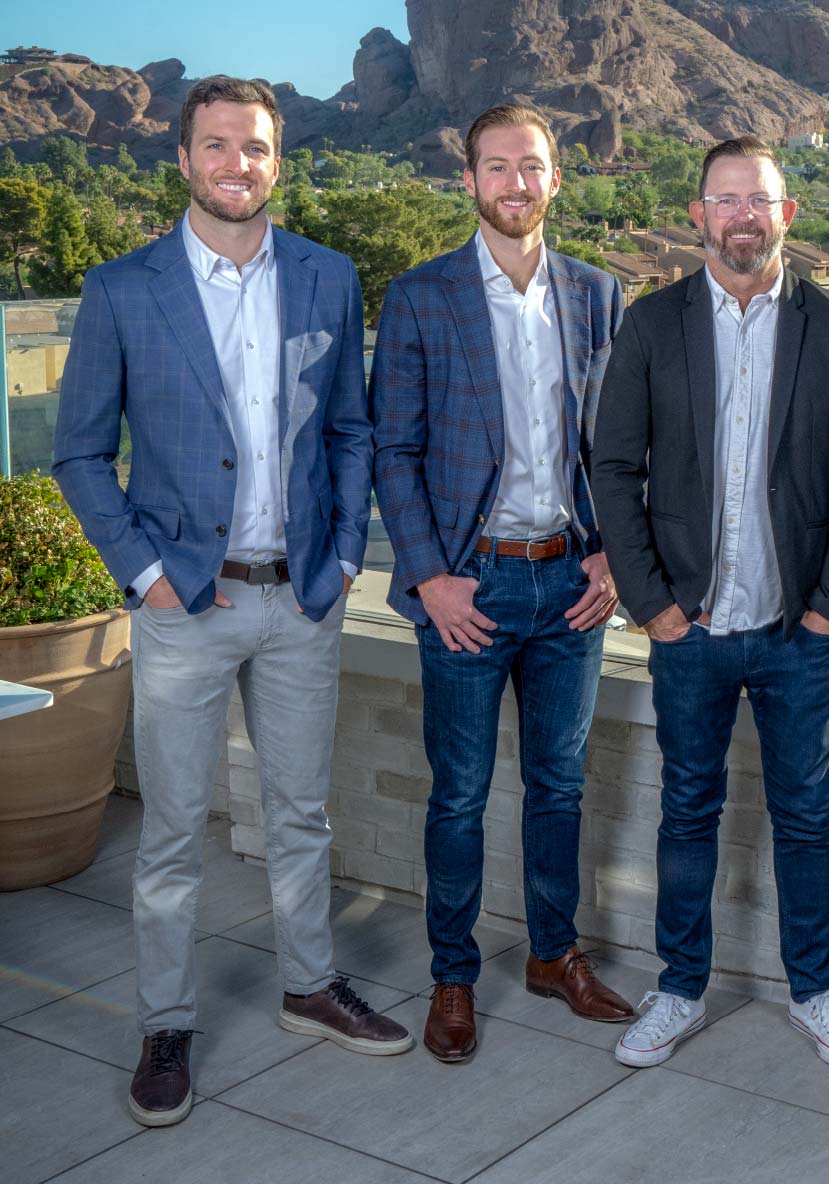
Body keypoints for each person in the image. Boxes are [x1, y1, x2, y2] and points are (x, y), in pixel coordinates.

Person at [53, 75, 410, 1129]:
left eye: (254, 147)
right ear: (183, 159)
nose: (236, 164)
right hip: (183, 604)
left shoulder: (329, 277)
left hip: (301, 599)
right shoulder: (123, 289)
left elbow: (352, 427)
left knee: (301, 811)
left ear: (276, 159)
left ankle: (310, 982)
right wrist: (147, 572)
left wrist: (345, 554)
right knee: (170, 831)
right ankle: (165, 1022)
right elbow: (79, 452)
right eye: (217, 146)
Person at [591, 135, 829, 1071]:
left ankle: (813, 991)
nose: (743, 215)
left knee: (804, 814)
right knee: (687, 813)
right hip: (692, 630)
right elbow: (615, 469)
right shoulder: (652, 324)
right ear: (698, 216)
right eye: (726, 200)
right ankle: (679, 990)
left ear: (786, 214)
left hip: (798, 632)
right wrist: (655, 609)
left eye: (760, 199)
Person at [371, 103, 633, 1064]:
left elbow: (619, 449)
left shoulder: (600, 295)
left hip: (571, 586)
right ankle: (453, 973)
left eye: (531, 167)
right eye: (496, 167)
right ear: (469, 181)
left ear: (555, 179)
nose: (514, 183)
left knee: (559, 786)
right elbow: (393, 450)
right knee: (460, 794)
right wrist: (430, 577)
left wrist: (612, 551)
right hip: (468, 593)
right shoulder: (421, 297)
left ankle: (555, 955)